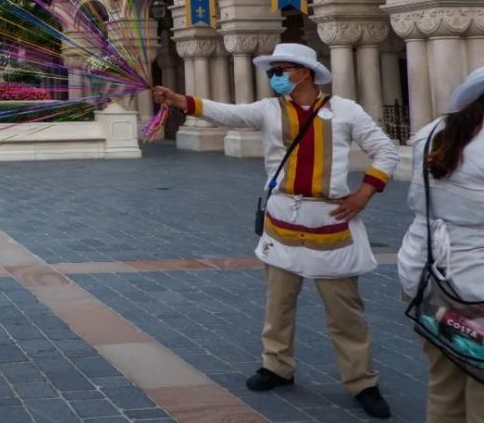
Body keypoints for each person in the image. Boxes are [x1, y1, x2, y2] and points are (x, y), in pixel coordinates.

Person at [153, 43, 399, 419]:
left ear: (303, 72)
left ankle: (362, 381)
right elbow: (228, 113)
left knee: (345, 311)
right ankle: (276, 366)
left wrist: (365, 193)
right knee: (278, 304)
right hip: (282, 218)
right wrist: (180, 100)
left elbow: (386, 151)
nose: (274, 78)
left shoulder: (345, 110)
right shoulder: (269, 110)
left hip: (328, 220)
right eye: (273, 72)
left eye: (279, 71)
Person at [397, 67, 484, 422]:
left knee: (443, 381)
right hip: (475, 284)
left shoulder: (430, 133)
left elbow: (417, 202)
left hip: (424, 274)